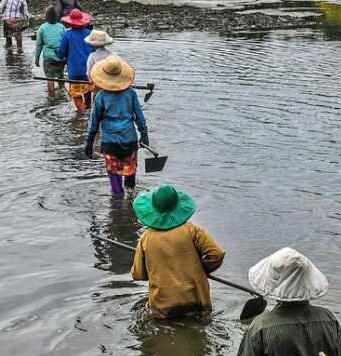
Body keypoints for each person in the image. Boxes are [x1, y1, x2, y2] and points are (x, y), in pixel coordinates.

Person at [130, 185, 225, 319]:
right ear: (177, 208)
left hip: (163, 306)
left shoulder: (146, 238)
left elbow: (138, 274)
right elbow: (217, 254)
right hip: (197, 301)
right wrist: (202, 269)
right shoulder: (192, 230)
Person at [85, 56, 148, 197]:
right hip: (129, 140)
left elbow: (94, 121)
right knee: (130, 174)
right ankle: (131, 204)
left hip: (110, 142)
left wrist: (89, 142)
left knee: (115, 179)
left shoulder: (100, 96)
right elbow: (140, 118)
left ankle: (117, 207)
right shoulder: (130, 93)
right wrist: (144, 135)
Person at [55, 9, 95, 112]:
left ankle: (81, 117)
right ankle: (89, 113)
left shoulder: (67, 35)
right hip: (89, 70)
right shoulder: (90, 33)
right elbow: (95, 50)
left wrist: (57, 51)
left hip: (74, 72)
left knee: (76, 95)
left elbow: (61, 54)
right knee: (88, 92)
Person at [33, 5, 66, 95]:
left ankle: (51, 98)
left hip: (49, 57)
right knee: (60, 76)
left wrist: (37, 59)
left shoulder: (42, 28)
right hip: (61, 56)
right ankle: (62, 94)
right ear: (56, 16)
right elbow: (66, 43)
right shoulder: (61, 27)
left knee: (50, 79)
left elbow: (39, 45)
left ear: (46, 16)